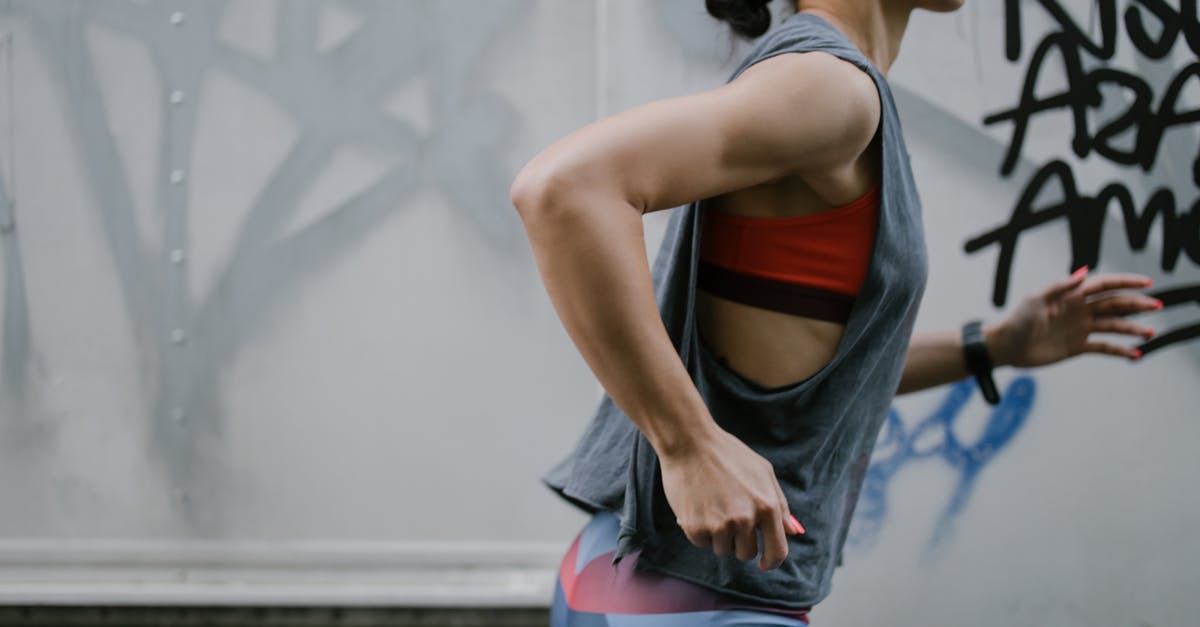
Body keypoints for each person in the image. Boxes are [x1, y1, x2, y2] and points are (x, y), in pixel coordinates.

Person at [510, 1, 1161, 625]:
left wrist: (991, 345)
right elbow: (565, 189)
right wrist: (688, 444)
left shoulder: (832, 86)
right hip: (707, 598)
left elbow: (804, 361)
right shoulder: (832, 89)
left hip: (622, 577)